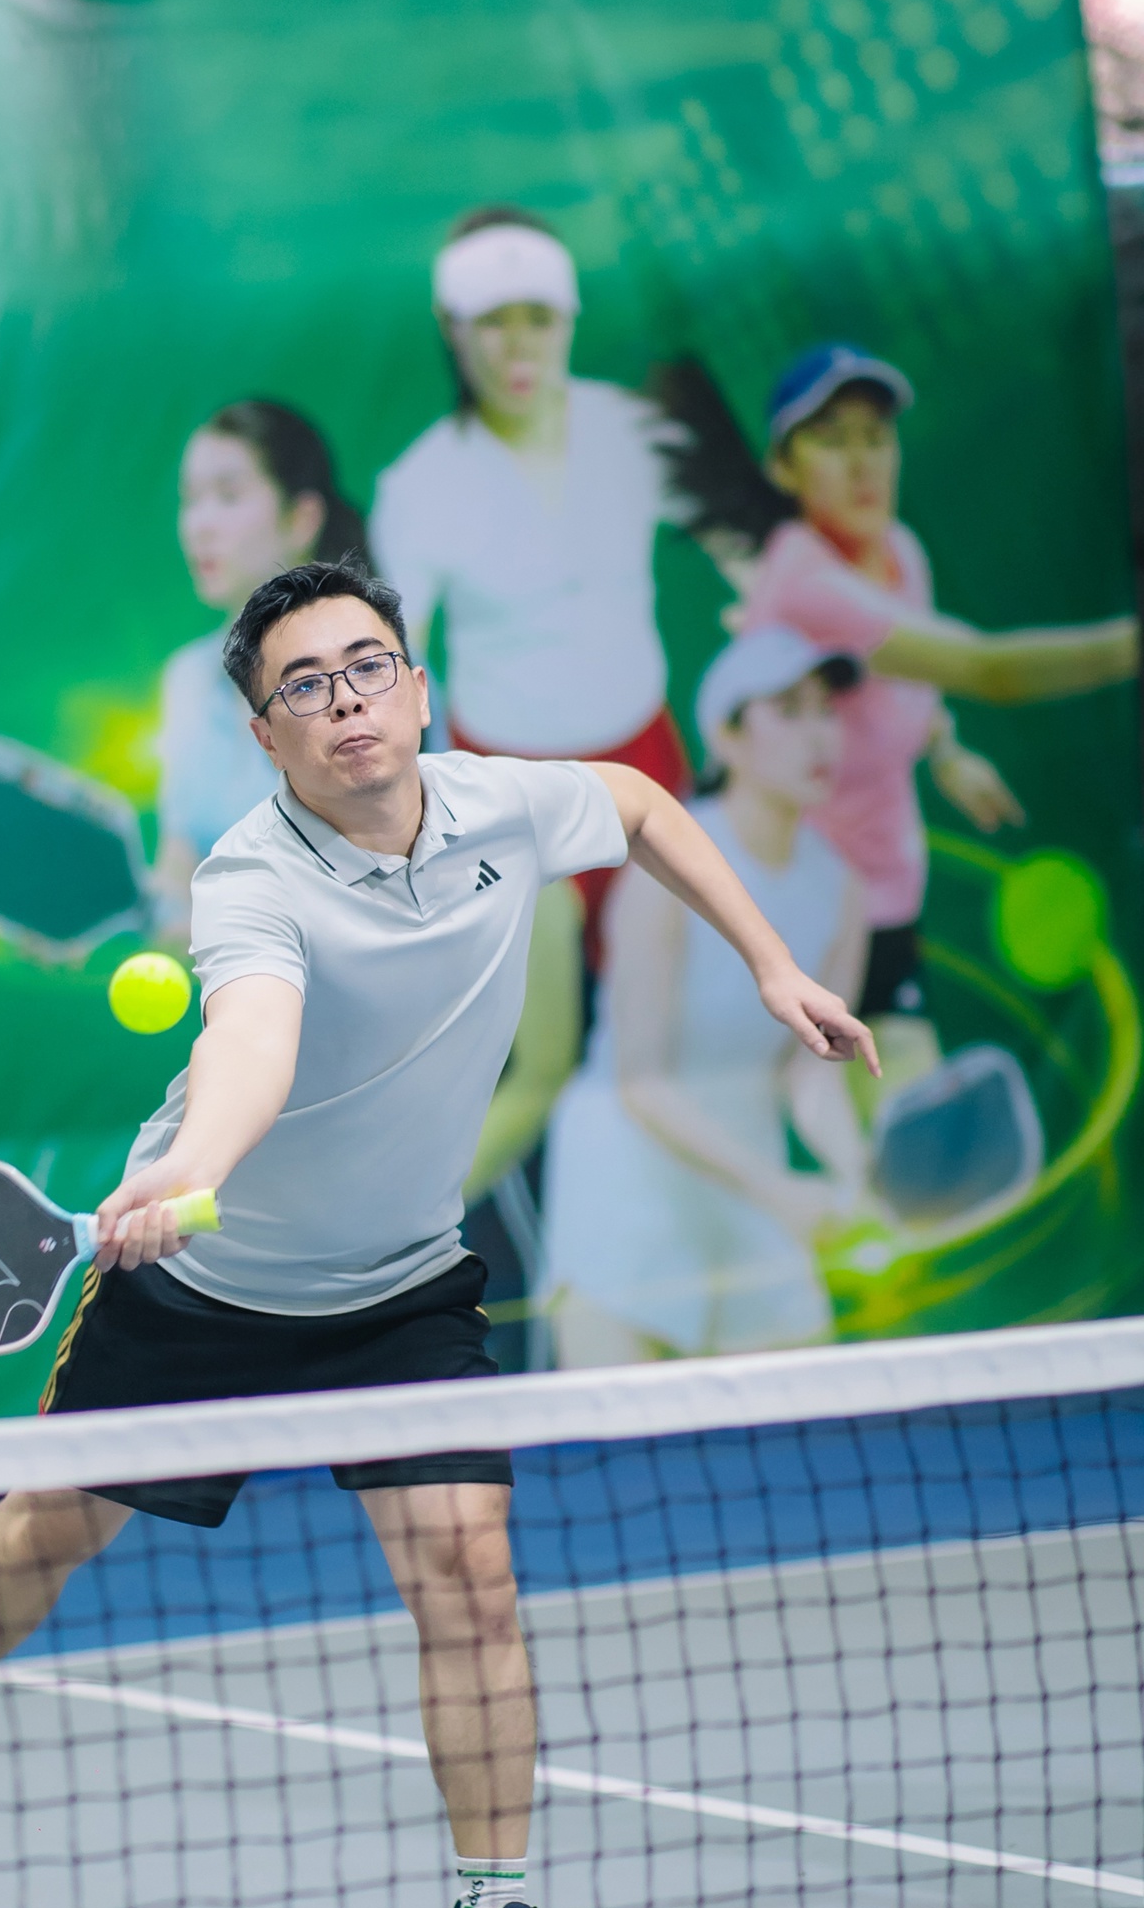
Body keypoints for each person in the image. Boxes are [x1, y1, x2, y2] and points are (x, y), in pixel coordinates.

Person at [0, 561, 877, 1908]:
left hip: (398, 1284)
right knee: (47, 1532)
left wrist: (773, 965)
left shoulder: (501, 808)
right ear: (265, 732)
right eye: (305, 685)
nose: (345, 700)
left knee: (470, 1575)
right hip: (204, 1282)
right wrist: (191, 1172)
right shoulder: (248, 880)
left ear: (415, 684)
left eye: (366, 666)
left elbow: (641, 806)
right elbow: (252, 1044)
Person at [666, 343, 1139, 1096]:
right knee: (884, 1114)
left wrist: (945, 747)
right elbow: (989, 670)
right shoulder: (805, 581)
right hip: (802, 912)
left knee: (895, 1121)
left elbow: (913, 676)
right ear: (784, 467)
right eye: (832, 440)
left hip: (882, 895)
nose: (862, 462)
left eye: (875, 436)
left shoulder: (899, 554)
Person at [371, 207, 690, 966]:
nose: (518, 346)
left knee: (666, 994)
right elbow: (392, 666)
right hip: (507, 795)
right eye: (492, 322)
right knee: (545, 1011)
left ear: (570, 320)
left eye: (538, 319)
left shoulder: (639, 435)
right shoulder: (418, 487)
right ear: (451, 327)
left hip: (649, 765)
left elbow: (761, 560)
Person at [543, 630, 870, 1366]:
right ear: (727, 739)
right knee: (619, 1430)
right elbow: (642, 1085)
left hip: (748, 1169)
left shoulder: (840, 887)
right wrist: (777, 1191)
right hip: (625, 1168)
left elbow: (810, 1072)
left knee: (802, 1412)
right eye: (788, 711)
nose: (818, 734)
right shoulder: (665, 869)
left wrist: (852, 1178)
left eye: (826, 710)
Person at [155, 400, 368, 935]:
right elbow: (177, 879)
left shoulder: (370, 677)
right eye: (190, 499)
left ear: (302, 519)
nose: (199, 525)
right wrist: (95, 927)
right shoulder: (187, 679)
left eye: (227, 496)